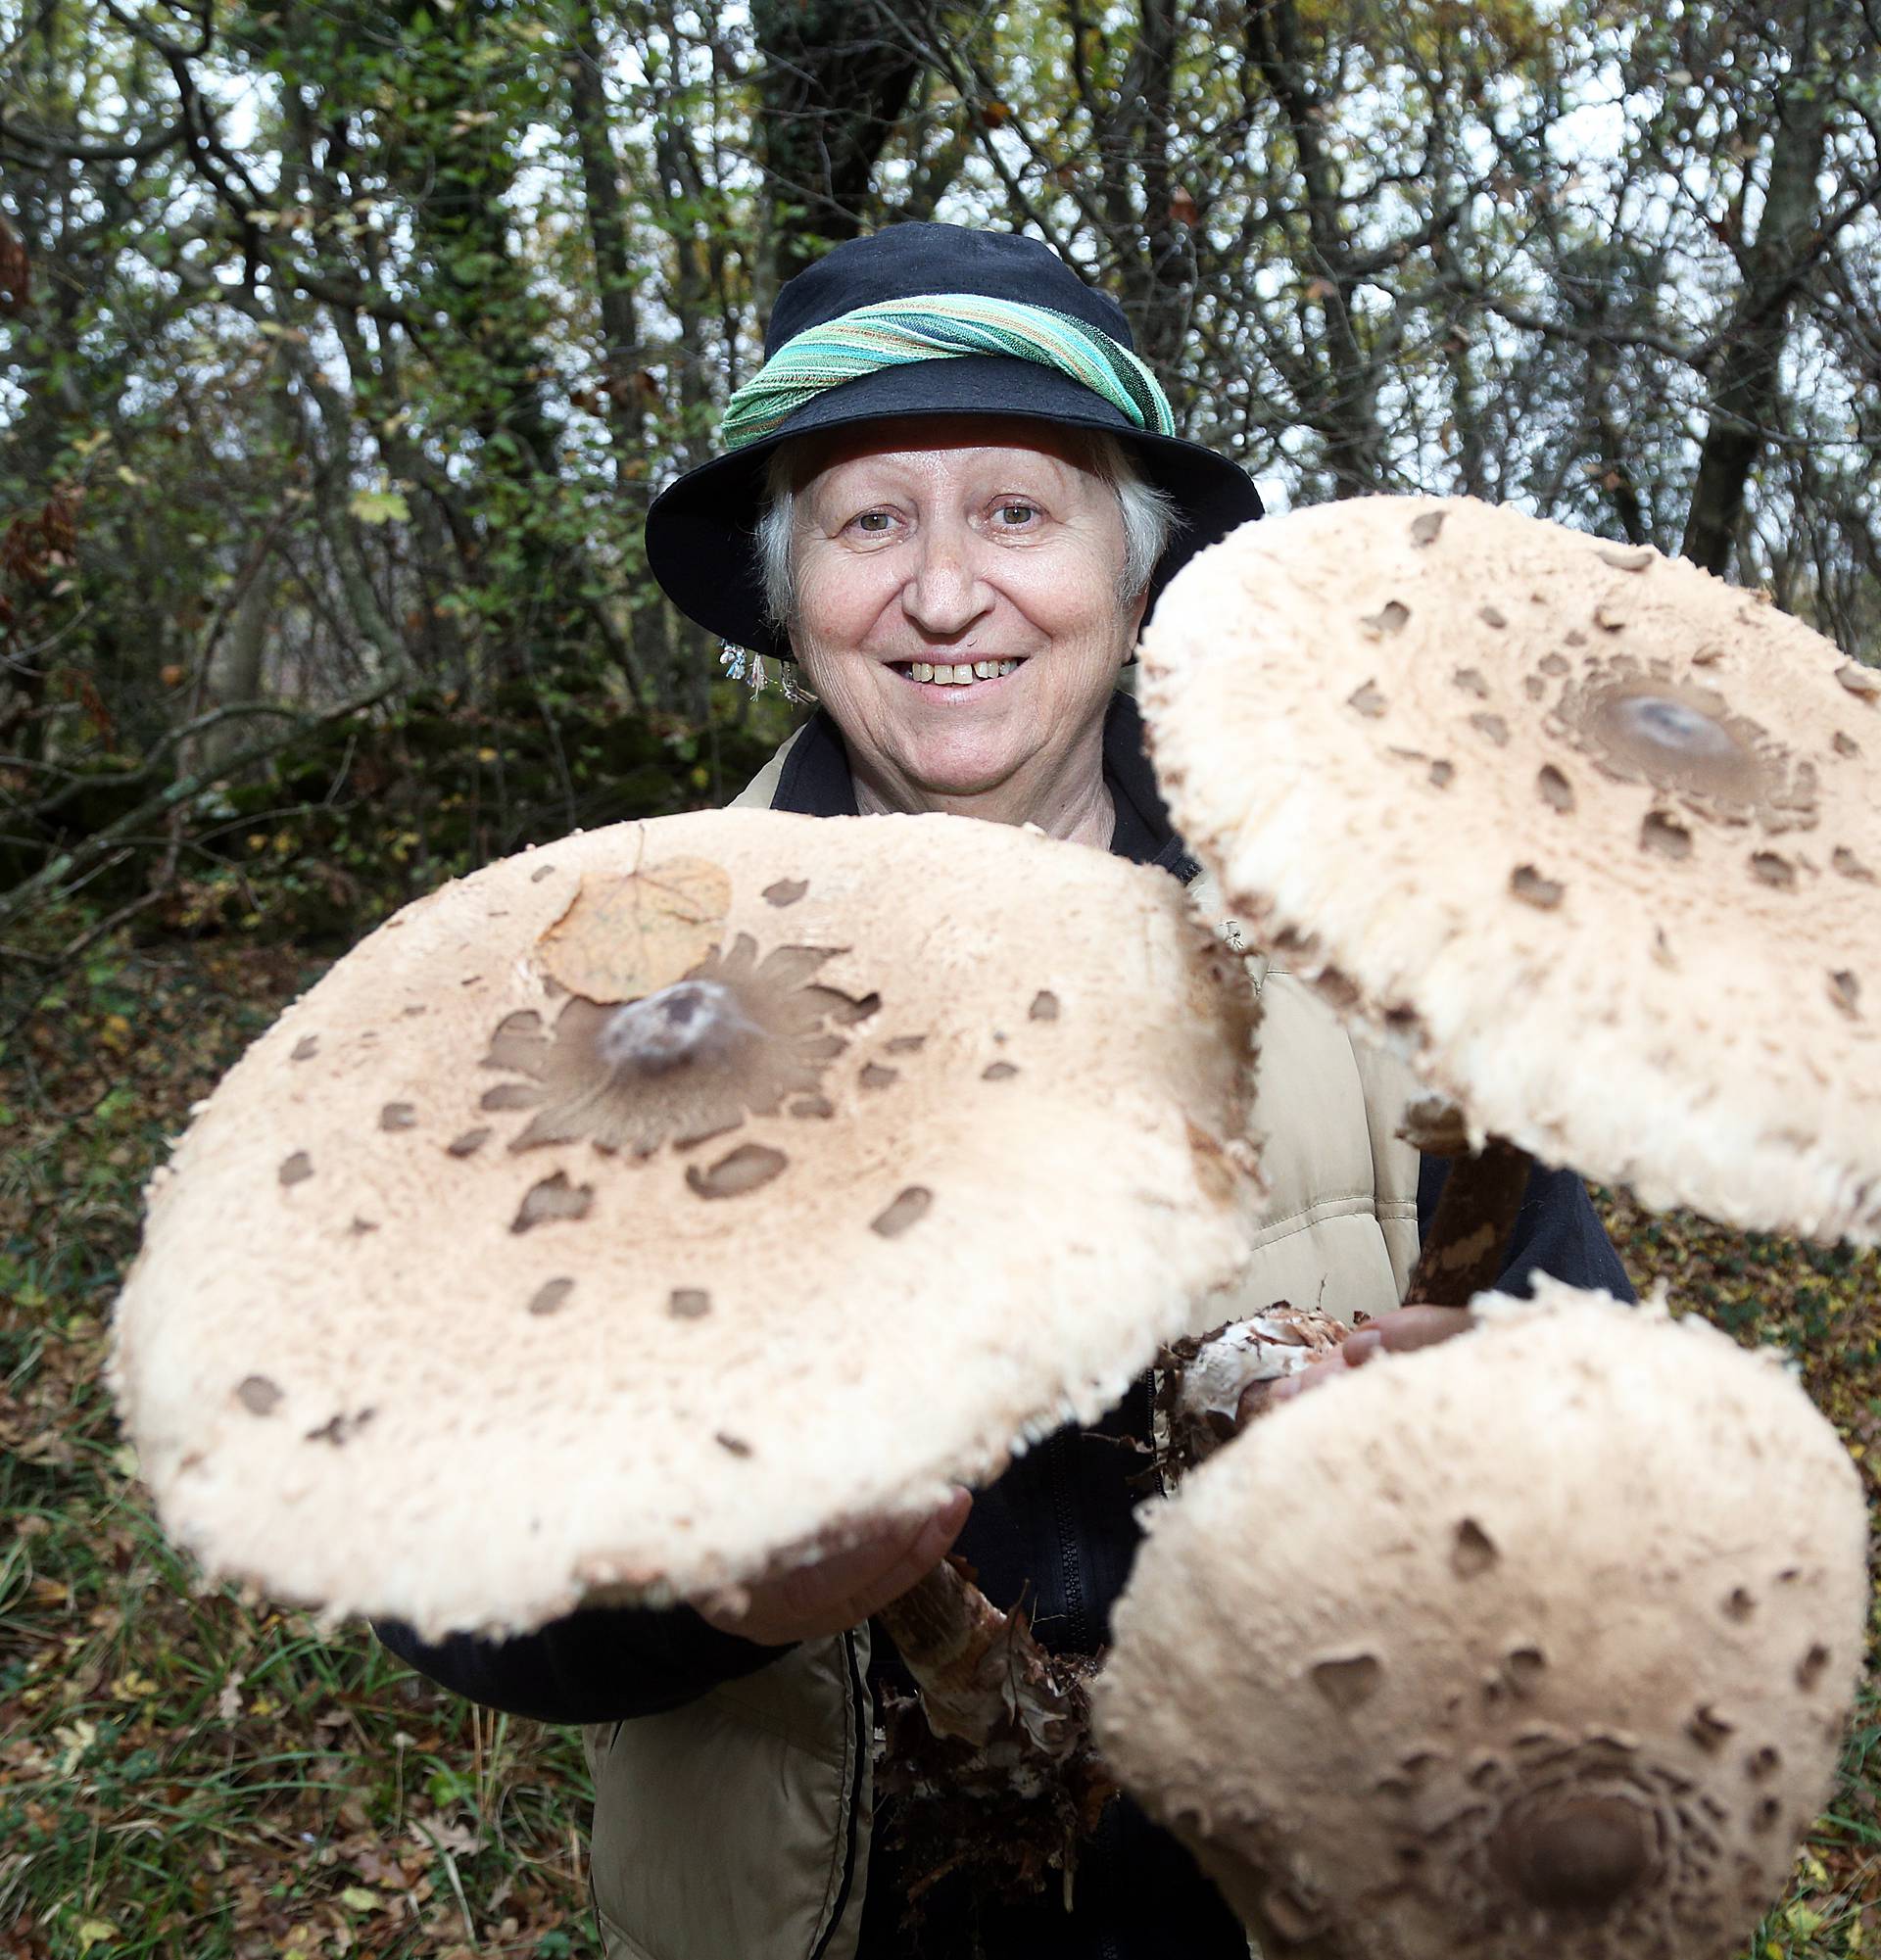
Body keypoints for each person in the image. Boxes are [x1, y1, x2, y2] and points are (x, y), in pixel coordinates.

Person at [379, 221, 1633, 1960]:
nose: (947, 591)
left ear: (1133, 578)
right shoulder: (610, 993)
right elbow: (429, 1567)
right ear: (790, 591)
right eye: (871, 519)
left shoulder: (1373, 947)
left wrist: (1491, 1457)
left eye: (1020, 513)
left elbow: (1612, 1424)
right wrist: (694, 1584)